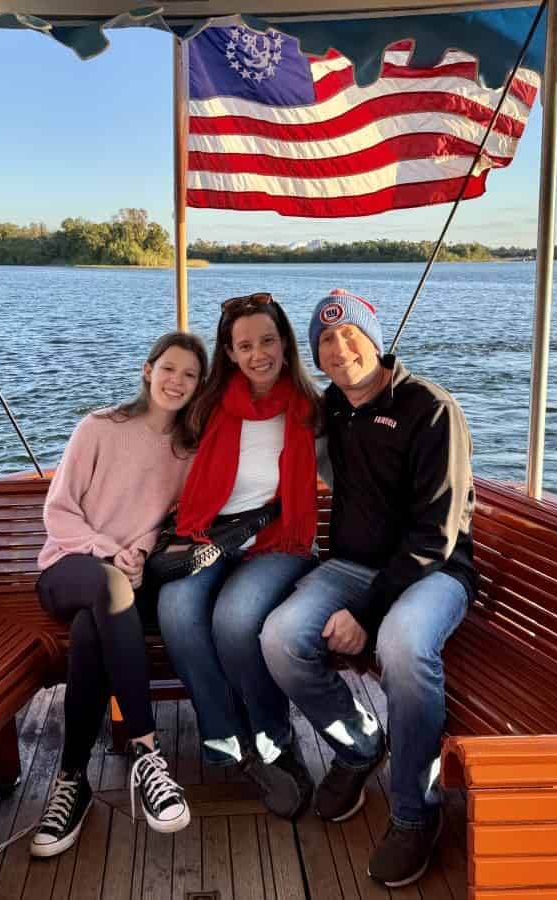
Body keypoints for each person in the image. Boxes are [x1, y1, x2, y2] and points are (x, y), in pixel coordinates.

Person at [261, 289, 477, 887]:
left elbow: (436, 534)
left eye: (350, 333)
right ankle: (359, 745)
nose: (339, 347)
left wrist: (369, 611)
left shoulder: (431, 408)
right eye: (325, 341)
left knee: (404, 648)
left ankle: (415, 811)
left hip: (434, 572)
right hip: (351, 566)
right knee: (279, 637)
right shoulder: (331, 409)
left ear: (375, 337)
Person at [28, 331, 207, 858]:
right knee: (105, 587)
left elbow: (169, 523)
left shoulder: (186, 453)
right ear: (148, 370)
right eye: (169, 368)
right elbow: (58, 512)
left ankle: (71, 783)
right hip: (66, 566)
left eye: (190, 375)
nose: (177, 381)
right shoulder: (100, 427)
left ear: (199, 388)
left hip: (128, 579)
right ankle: (149, 754)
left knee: (90, 632)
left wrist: (142, 553)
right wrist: (108, 551)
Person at [157, 292, 321, 819]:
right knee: (177, 609)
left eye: (267, 341)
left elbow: (358, 465)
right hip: (210, 535)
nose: (258, 355)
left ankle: (275, 736)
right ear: (229, 352)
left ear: (285, 343)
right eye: (244, 345)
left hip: (279, 539)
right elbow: (150, 428)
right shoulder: (209, 406)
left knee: (234, 620)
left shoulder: (311, 409)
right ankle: (229, 736)